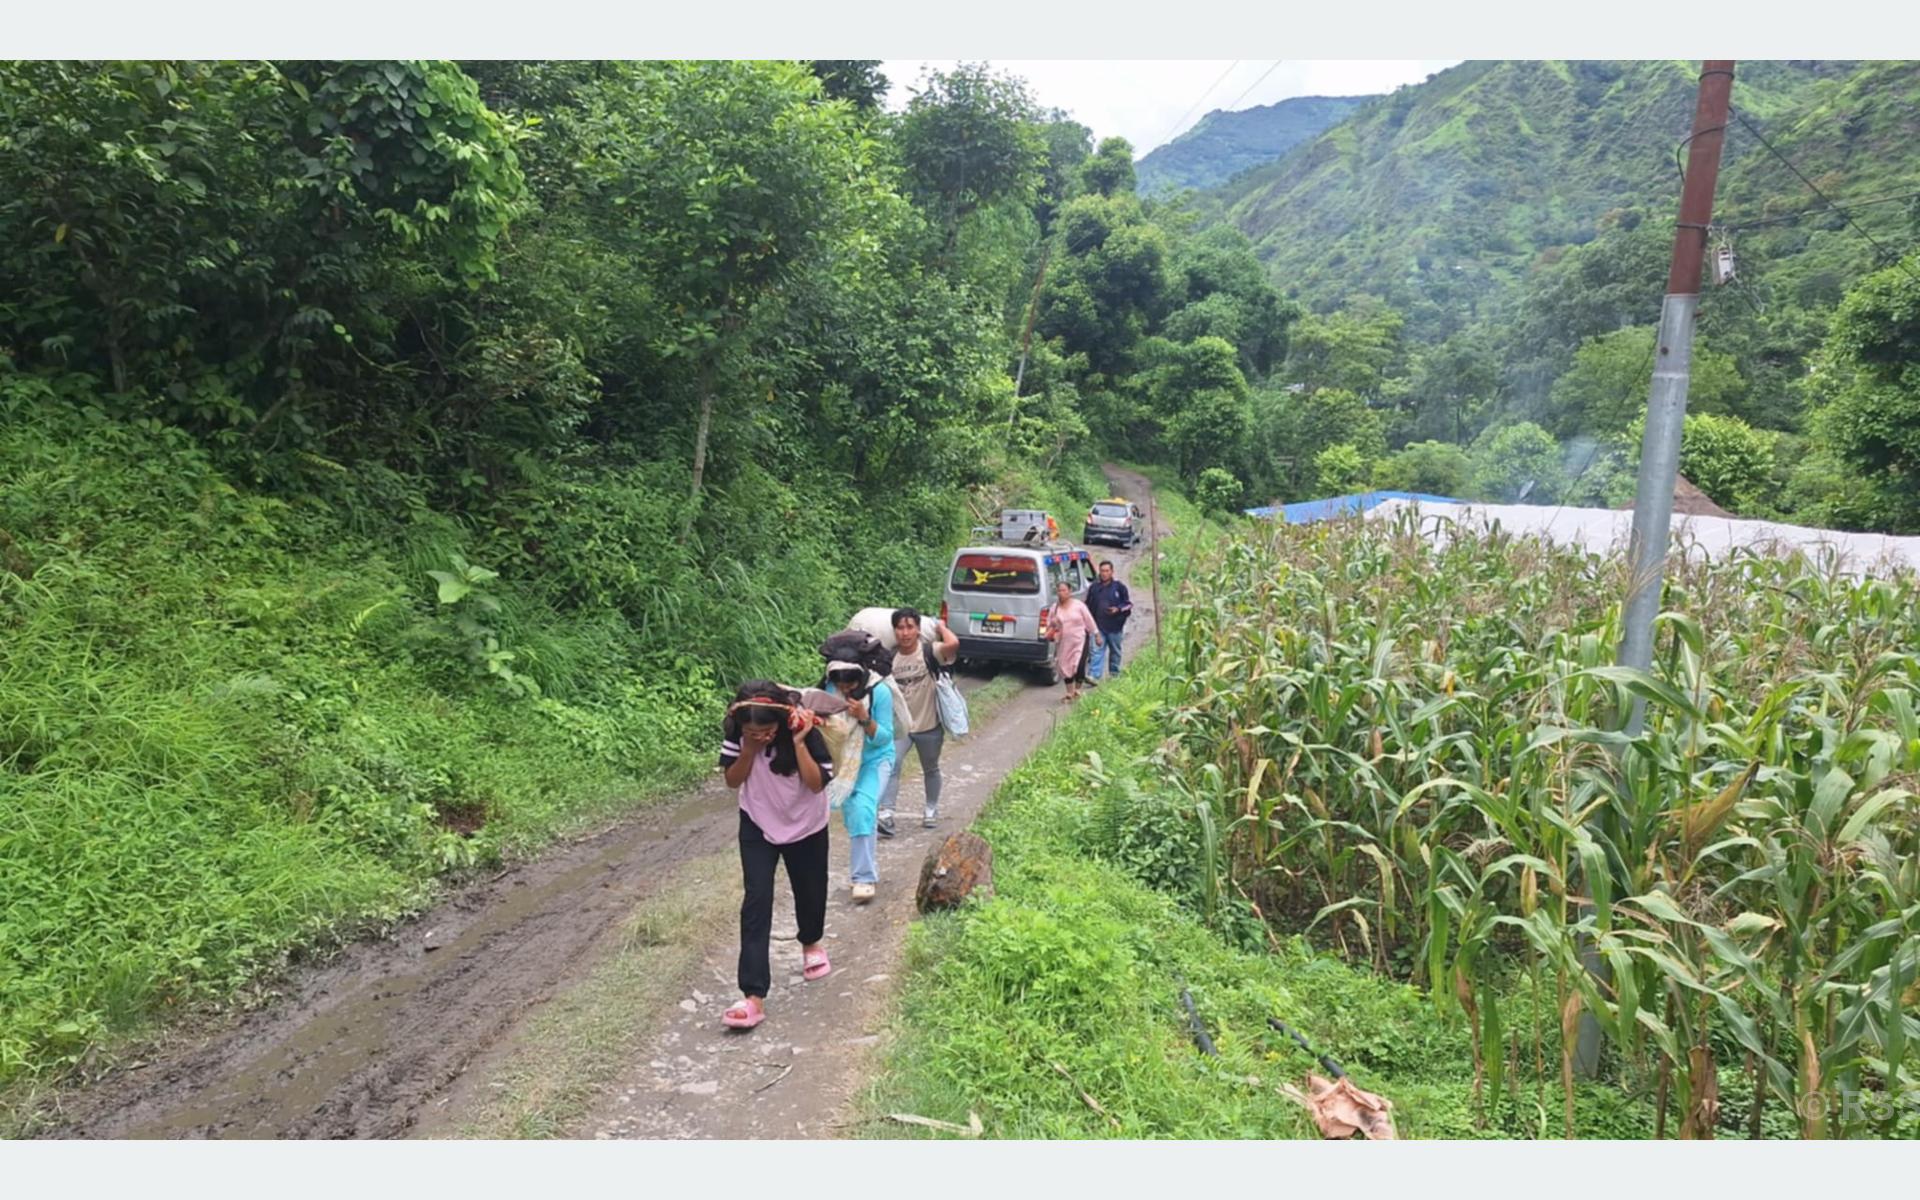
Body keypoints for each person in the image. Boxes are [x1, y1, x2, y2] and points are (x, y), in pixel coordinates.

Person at [718, 681, 833, 1030]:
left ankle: (811, 941)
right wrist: (749, 750)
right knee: (757, 899)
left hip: (806, 824)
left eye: (767, 731)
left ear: (780, 722)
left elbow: (816, 784)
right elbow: (732, 781)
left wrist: (798, 743)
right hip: (757, 822)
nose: (761, 736)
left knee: (810, 891)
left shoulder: (805, 730)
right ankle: (753, 996)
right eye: (753, 731)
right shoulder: (741, 736)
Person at [823, 660, 893, 902]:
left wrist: (864, 718)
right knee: (857, 810)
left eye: (850, 685)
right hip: (843, 761)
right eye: (840, 685)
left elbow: (884, 738)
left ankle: (863, 878)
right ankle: (865, 867)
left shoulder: (880, 692)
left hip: (875, 760)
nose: (845, 690)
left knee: (863, 806)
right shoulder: (829, 691)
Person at [885, 607, 960, 830]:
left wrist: (942, 628)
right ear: (894, 631)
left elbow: (953, 644)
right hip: (901, 726)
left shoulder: (930, 651)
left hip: (929, 724)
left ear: (918, 629)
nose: (905, 633)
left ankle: (930, 809)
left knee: (930, 767)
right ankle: (887, 812)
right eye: (900, 628)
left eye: (910, 627)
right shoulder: (889, 658)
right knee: (892, 764)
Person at [1046, 579, 1099, 702]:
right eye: (1059, 590)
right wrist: (1052, 626)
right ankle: (1069, 692)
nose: (1061, 593)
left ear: (1069, 591)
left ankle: (1077, 690)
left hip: (1080, 639)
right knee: (1065, 666)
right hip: (1064, 642)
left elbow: (1089, 620)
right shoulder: (1054, 608)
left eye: (1064, 590)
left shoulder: (1079, 605)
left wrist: (1096, 634)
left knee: (1079, 666)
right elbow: (1049, 624)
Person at [1085, 559, 1133, 683]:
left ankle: (1114, 675)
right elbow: (1088, 606)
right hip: (1098, 627)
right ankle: (1094, 676)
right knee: (1096, 651)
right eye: (1102, 571)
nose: (1104, 573)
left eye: (1107, 571)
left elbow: (1128, 605)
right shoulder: (1094, 588)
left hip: (1115, 627)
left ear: (1112, 572)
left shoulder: (1120, 588)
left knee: (1115, 652)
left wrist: (1118, 609)